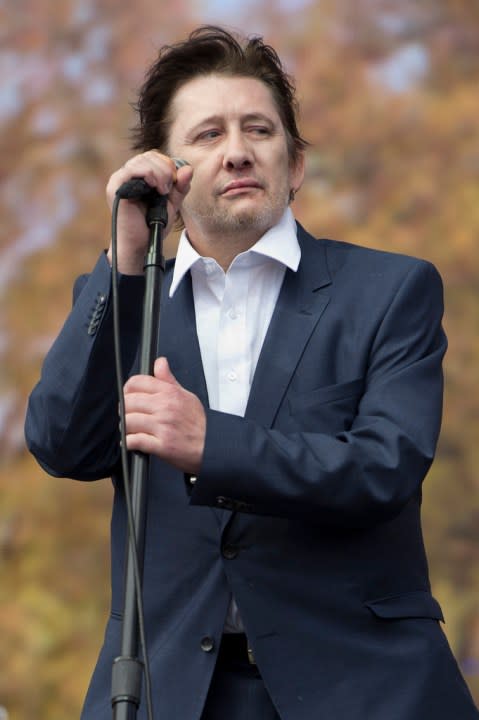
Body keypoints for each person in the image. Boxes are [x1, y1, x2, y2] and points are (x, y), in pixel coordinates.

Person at [25, 25, 479, 720]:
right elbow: (61, 445)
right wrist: (122, 255)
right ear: (165, 172)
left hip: (362, 689)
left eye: (258, 130)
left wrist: (214, 444)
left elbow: (384, 468)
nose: (236, 151)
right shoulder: (131, 301)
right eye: (207, 135)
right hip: (169, 692)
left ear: (293, 164)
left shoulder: (389, 290)